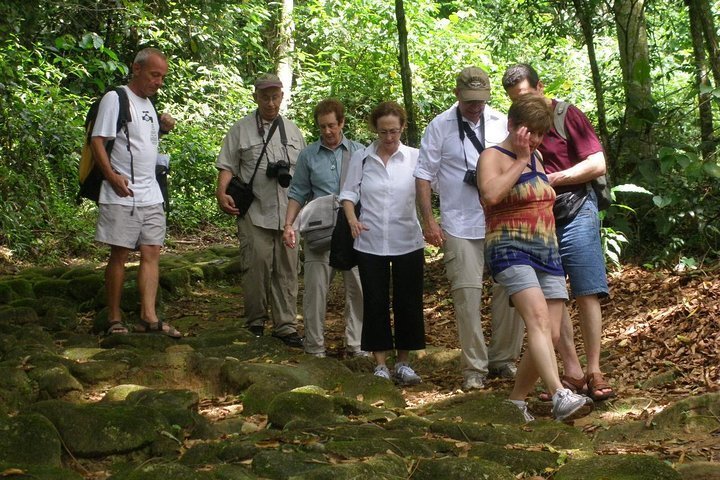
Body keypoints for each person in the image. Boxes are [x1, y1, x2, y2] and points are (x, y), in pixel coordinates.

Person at [501, 63, 615, 401]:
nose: (523, 105)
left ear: (541, 86)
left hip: (576, 207)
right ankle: (572, 371)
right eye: (514, 100)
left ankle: (594, 370)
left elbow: (597, 163)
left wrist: (555, 178)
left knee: (586, 288)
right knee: (553, 295)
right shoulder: (517, 132)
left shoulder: (567, 116)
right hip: (539, 217)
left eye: (526, 95)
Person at [478, 94, 592, 421]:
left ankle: (515, 402)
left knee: (552, 333)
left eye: (541, 134)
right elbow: (491, 194)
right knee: (538, 320)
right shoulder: (493, 155)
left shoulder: (538, 157)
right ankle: (559, 395)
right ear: (512, 125)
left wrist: (530, 155)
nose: (536, 140)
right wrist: (519, 159)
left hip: (546, 250)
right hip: (509, 247)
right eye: (530, 132)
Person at [414, 66, 525, 391]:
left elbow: (518, 161)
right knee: (466, 296)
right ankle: (475, 368)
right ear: (457, 95)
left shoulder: (500, 121)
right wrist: (429, 221)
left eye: (480, 100)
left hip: (501, 221)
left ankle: (503, 358)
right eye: (469, 101)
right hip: (460, 223)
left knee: (513, 292)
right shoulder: (440, 126)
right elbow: (423, 174)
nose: (475, 106)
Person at [92, 47, 180, 338]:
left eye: (162, 77)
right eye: (155, 75)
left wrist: (163, 129)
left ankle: (148, 316)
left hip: (151, 192)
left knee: (152, 251)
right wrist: (112, 177)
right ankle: (114, 318)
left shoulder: (149, 105)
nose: (159, 82)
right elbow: (98, 140)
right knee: (119, 254)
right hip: (123, 192)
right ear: (137, 69)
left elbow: (142, 142)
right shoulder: (115, 98)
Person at [215, 73, 305, 348]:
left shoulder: (293, 131)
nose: (270, 102)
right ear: (255, 97)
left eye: (275, 96)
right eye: (265, 96)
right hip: (255, 211)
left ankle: (285, 325)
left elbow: (304, 172)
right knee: (255, 268)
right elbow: (227, 165)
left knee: (287, 271)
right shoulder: (240, 130)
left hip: (289, 216)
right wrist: (221, 192)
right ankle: (255, 321)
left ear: (281, 97)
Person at [339, 101, 426, 386]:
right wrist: (352, 219)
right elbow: (348, 194)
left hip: (407, 240)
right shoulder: (362, 158)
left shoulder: (415, 157)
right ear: (374, 130)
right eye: (383, 132)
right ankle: (379, 363)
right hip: (369, 241)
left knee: (408, 301)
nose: (389, 138)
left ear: (403, 128)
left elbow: (431, 190)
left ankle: (403, 362)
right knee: (375, 302)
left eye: (394, 131)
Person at [282, 99, 366, 358]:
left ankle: (357, 344)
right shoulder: (308, 155)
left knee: (359, 288)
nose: (327, 131)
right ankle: (315, 347)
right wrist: (289, 225)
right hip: (320, 231)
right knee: (316, 290)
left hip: (353, 229)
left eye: (332, 125)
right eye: (322, 127)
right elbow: (297, 192)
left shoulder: (359, 152)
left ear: (342, 122)